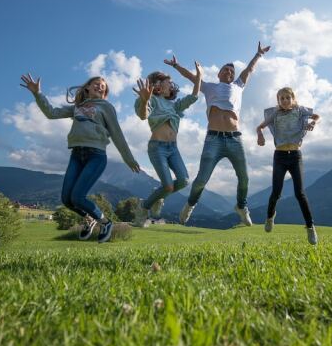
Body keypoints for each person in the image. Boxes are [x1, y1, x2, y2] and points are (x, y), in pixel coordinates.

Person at [20, 73, 140, 243]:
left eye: (103, 87)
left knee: (78, 196)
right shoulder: (77, 107)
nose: (100, 87)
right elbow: (51, 113)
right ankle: (89, 219)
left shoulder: (106, 106)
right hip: (76, 155)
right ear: (88, 87)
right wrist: (37, 94)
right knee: (67, 199)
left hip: (96, 155)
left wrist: (128, 159)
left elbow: (117, 133)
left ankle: (105, 222)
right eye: (97, 84)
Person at [165, 42, 270, 226]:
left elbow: (249, 70)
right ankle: (190, 204)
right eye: (226, 70)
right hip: (213, 138)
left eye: (232, 71)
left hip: (234, 139)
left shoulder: (239, 86)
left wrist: (258, 54)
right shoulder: (209, 87)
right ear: (219, 73)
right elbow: (191, 77)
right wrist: (176, 66)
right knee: (201, 180)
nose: (229, 72)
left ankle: (241, 206)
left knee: (244, 178)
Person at [132, 61, 203, 225]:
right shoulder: (151, 100)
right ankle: (144, 206)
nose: (172, 85)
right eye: (168, 82)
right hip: (157, 148)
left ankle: (157, 198)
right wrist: (144, 100)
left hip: (173, 149)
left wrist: (199, 76)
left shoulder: (173, 106)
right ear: (157, 85)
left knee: (184, 180)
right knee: (169, 186)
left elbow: (193, 97)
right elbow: (143, 116)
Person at [256, 87, 320, 245]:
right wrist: (260, 136)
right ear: (278, 100)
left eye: (287, 98)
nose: (284, 100)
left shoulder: (300, 110)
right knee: (276, 192)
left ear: (293, 98)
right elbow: (260, 126)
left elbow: (317, 115)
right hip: (279, 156)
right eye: (281, 98)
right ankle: (270, 217)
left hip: (295, 155)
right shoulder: (275, 114)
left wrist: (313, 121)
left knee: (300, 193)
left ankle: (310, 227)